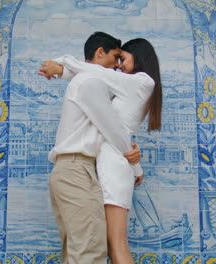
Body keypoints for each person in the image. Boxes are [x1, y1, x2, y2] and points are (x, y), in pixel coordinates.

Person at [39, 37, 163, 264]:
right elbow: (95, 82)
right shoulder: (103, 83)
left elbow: (115, 126)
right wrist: (61, 67)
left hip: (113, 162)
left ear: (140, 57)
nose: (118, 65)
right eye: (117, 58)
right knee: (97, 246)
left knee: (111, 245)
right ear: (99, 52)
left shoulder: (141, 81)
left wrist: (61, 66)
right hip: (96, 165)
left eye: (122, 59)